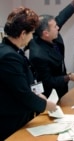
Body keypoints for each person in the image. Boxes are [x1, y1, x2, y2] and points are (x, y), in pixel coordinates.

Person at [0, 7, 57, 140]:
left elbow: (25, 81)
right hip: (10, 123)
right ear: (23, 34)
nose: (32, 37)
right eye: (31, 33)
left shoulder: (13, 50)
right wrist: (46, 105)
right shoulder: (9, 56)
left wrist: (38, 94)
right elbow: (22, 93)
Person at [29, 0, 74, 99]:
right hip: (50, 94)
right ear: (46, 33)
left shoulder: (47, 32)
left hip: (61, 83)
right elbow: (48, 81)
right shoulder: (38, 55)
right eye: (55, 27)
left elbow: (61, 17)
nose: (58, 27)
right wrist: (69, 77)